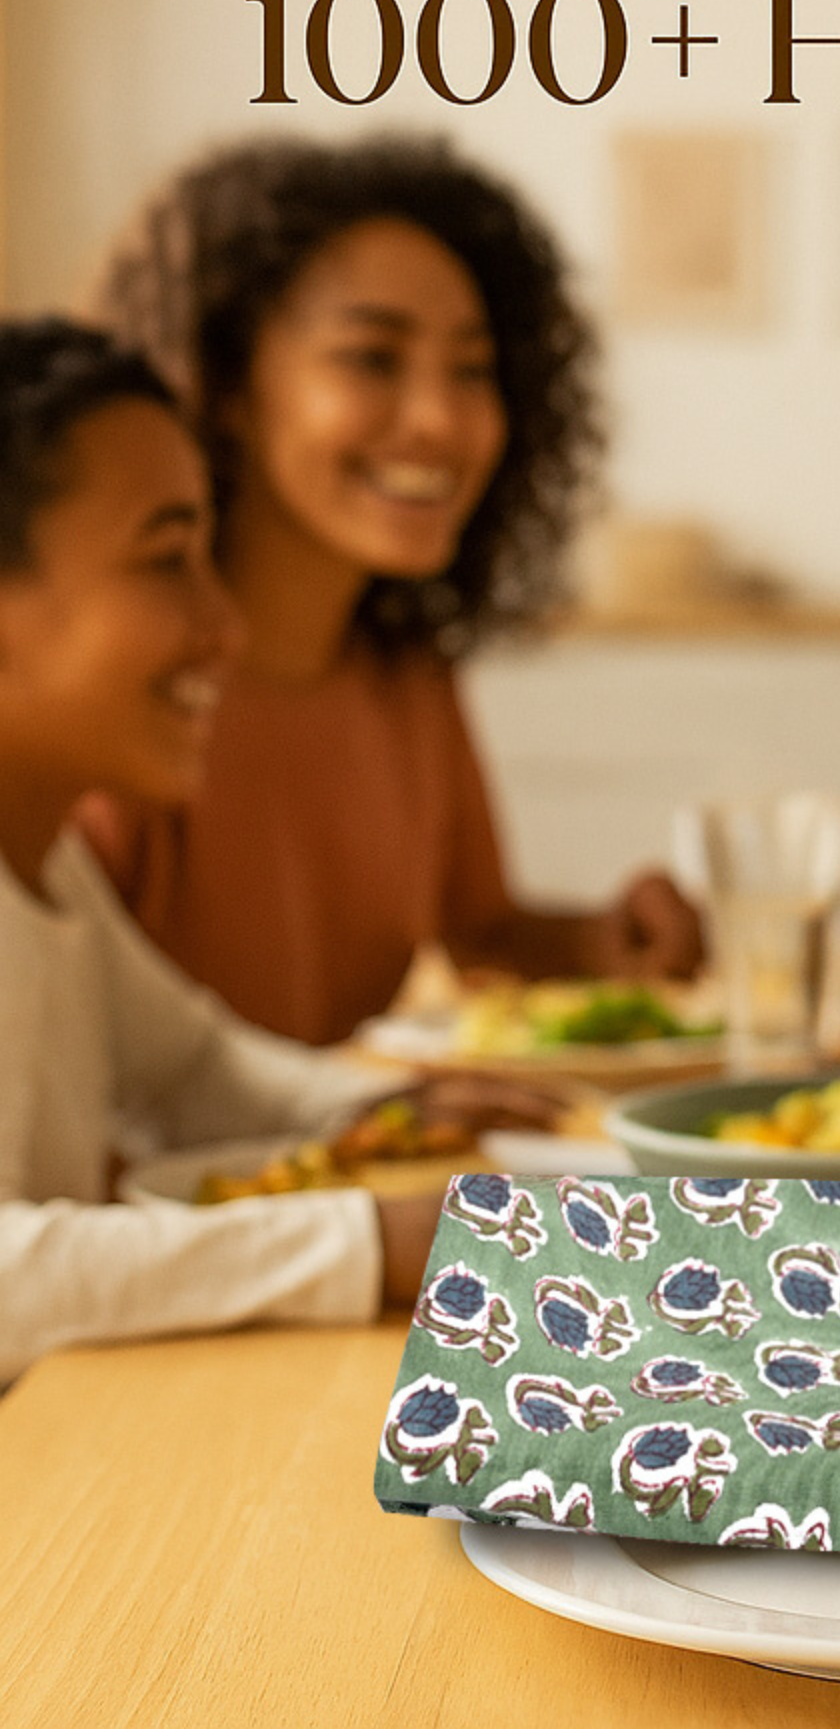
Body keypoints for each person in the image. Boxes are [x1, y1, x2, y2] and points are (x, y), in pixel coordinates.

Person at [0, 319, 547, 1384]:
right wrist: (365, 1243)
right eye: (167, 560)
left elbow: (188, 1066)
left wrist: (376, 1107)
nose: (224, 623)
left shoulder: (42, 851)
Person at [78, 135, 703, 1043]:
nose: (441, 421)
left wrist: (604, 940)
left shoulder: (405, 676)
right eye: (372, 358)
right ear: (225, 387)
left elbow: (478, 933)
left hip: (322, 1173)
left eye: (473, 370)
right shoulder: (120, 686)